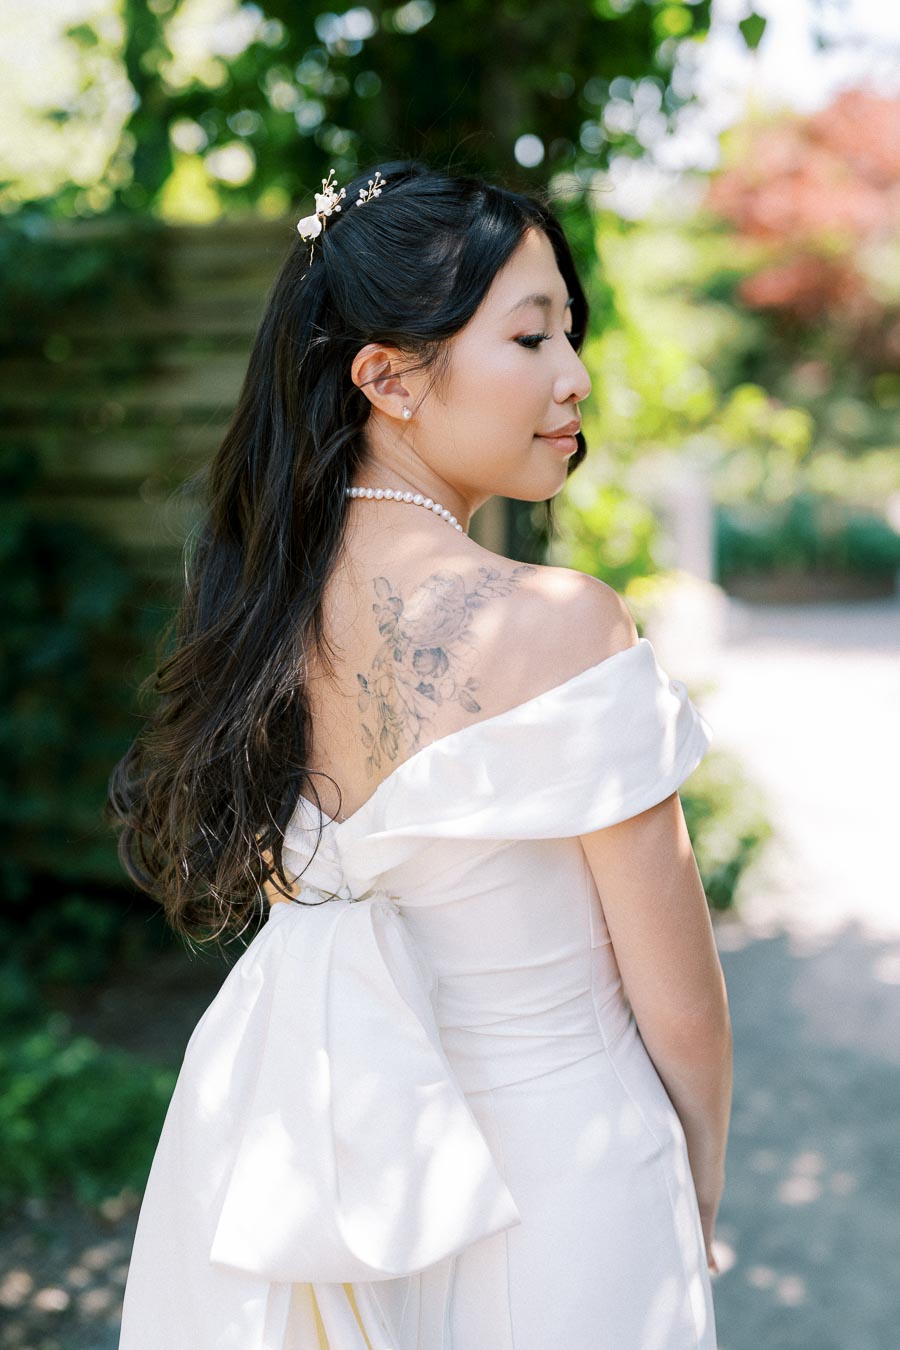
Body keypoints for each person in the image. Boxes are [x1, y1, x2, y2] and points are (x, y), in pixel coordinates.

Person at [107, 158, 732, 1350]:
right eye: (532, 336)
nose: (576, 375)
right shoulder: (564, 625)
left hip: (329, 1173)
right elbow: (684, 1010)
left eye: (571, 333)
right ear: (387, 377)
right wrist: (693, 1184)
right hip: (567, 1189)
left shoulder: (254, 617)